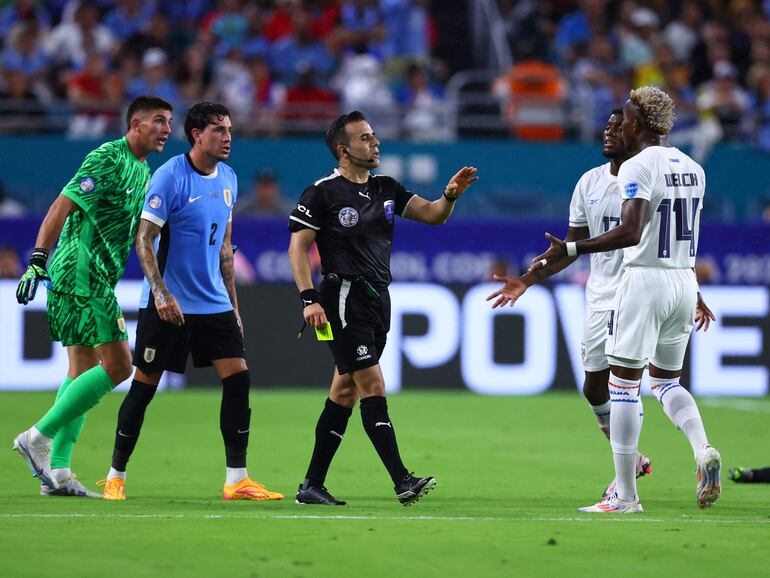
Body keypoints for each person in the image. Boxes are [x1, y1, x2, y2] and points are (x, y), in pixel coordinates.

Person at [487, 108, 715, 503]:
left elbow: (632, 234)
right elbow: (568, 248)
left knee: (623, 386)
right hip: (622, 292)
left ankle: (622, 488)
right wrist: (528, 277)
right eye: (606, 127)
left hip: (635, 289)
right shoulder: (591, 182)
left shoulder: (642, 169)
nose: (609, 132)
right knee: (598, 385)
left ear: (635, 130)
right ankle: (678, 453)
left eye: (618, 125)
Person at [288, 111, 478, 506]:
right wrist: (309, 299)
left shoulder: (386, 187)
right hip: (342, 299)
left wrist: (450, 196)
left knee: (344, 392)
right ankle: (402, 479)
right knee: (371, 385)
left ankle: (311, 485)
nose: (375, 143)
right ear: (343, 150)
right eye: (365, 138)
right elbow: (298, 247)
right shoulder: (322, 192)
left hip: (378, 300)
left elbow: (432, 216)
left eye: (374, 136)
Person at [98, 102, 283, 503]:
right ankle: (115, 475)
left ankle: (237, 479)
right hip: (169, 305)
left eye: (230, 129)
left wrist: (234, 306)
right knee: (144, 387)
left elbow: (225, 250)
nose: (228, 136)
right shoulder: (169, 177)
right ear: (197, 134)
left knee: (238, 380)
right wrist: (161, 293)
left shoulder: (230, 177)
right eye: (219, 129)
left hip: (214, 302)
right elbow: (143, 238)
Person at [13, 96, 173, 496]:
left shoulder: (141, 168)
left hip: (97, 274)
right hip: (81, 271)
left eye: (169, 122)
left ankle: (60, 472)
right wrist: (37, 258)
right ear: (135, 124)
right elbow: (63, 204)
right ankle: (37, 436)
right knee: (119, 365)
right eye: (158, 121)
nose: (167, 129)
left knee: (81, 370)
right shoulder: (108, 157)